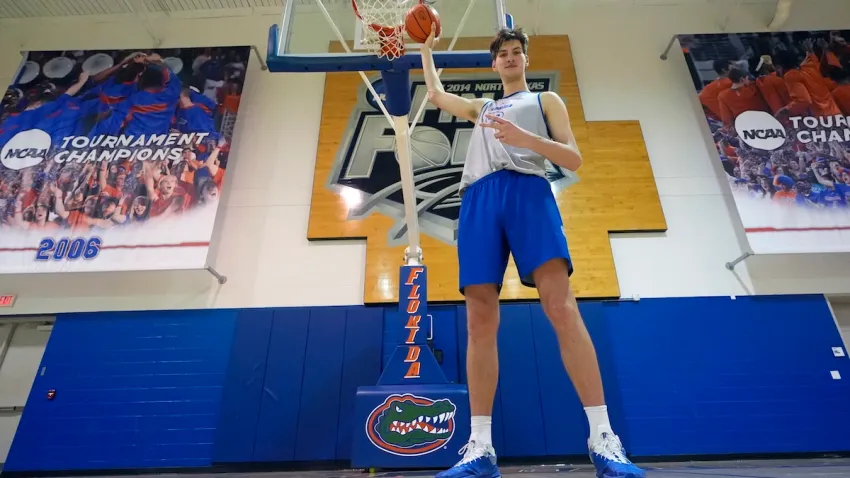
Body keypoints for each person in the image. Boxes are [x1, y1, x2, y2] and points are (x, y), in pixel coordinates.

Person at [419, 26, 645, 478]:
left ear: (525, 59)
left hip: (529, 191)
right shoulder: (482, 107)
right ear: (493, 63)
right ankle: (479, 448)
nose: (509, 58)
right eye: (502, 53)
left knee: (561, 306)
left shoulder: (545, 101)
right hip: (479, 198)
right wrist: (425, 47)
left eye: (516, 52)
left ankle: (604, 439)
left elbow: (573, 158)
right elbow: (437, 94)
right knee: (479, 319)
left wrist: (527, 141)